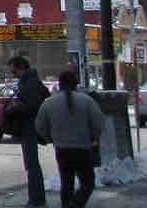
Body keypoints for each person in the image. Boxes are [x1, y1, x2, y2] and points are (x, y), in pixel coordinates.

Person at [35, 70, 106, 208]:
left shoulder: (49, 103)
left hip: (62, 149)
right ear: (75, 85)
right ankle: (75, 204)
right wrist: (93, 137)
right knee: (87, 183)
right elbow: (99, 123)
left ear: (60, 85)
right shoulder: (87, 101)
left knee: (66, 183)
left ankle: (67, 205)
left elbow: (39, 126)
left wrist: (49, 138)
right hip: (83, 148)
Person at [5, 55, 51, 207]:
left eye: (14, 71)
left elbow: (32, 105)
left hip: (29, 127)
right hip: (30, 126)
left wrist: (13, 109)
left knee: (31, 165)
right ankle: (37, 199)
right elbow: (43, 96)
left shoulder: (29, 82)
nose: (13, 75)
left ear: (22, 68)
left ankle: (36, 200)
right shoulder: (29, 81)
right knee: (31, 165)